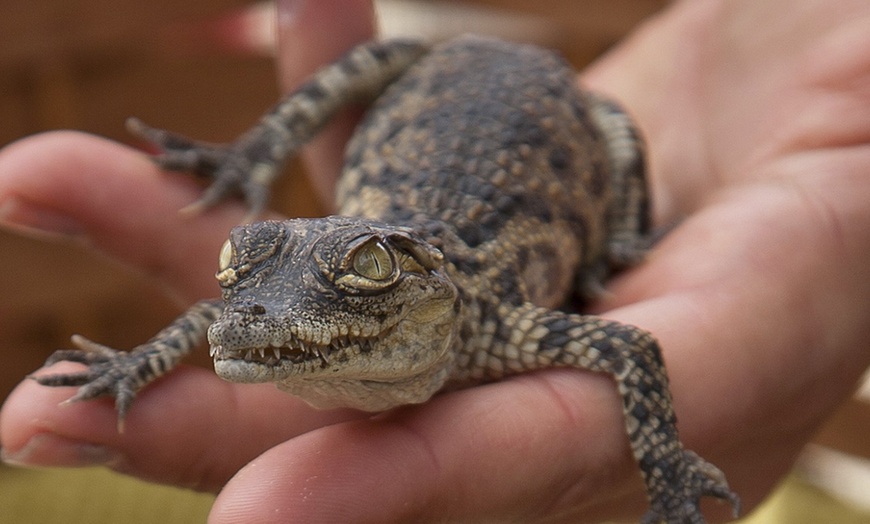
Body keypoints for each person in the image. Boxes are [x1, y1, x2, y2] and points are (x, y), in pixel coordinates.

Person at [2, 0, 869, 521]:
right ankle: (256, 152)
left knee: (608, 125)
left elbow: (630, 345)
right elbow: (216, 320)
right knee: (375, 63)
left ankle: (624, 234)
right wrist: (137, 364)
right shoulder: (261, 305)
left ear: (418, 279)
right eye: (248, 275)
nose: (252, 322)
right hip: (434, 80)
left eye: (367, 273)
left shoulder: (495, 318)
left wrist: (665, 461)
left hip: (550, 112)